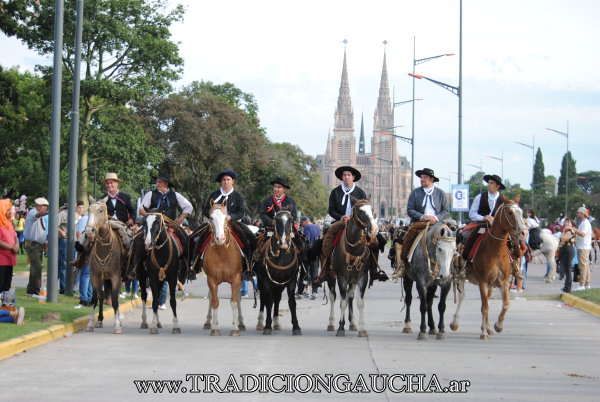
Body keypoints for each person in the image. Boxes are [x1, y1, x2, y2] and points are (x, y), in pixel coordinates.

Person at [317, 166, 388, 286]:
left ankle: (374, 270)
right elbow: (331, 210)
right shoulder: (335, 192)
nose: (346, 177)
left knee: (376, 241)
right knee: (323, 241)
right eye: (344, 175)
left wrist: (354, 218)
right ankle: (325, 271)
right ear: (342, 177)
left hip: (357, 223)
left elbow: (365, 209)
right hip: (340, 221)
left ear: (353, 177)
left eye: (348, 175)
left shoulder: (360, 192)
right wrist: (341, 217)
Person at [195, 170, 255, 279]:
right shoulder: (214, 195)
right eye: (224, 180)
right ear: (221, 182)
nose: (226, 182)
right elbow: (205, 209)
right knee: (196, 236)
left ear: (233, 181)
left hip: (232, 223)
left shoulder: (237, 196)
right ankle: (194, 264)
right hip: (215, 224)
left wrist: (230, 216)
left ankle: (248, 266)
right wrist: (213, 216)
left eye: (228, 180)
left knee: (249, 237)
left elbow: (241, 212)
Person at [392, 168, 449, 278]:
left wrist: (436, 218)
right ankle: (401, 266)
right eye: (421, 177)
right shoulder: (415, 193)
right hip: (419, 223)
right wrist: (423, 216)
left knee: (451, 238)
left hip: (437, 223)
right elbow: (410, 210)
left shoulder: (440, 193)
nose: (422, 179)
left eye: (425, 177)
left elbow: (446, 211)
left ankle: (455, 266)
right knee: (402, 237)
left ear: (431, 179)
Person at [137, 172, 193, 279]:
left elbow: (188, 207)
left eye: (160, 182)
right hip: (153, 226)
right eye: (157, 181)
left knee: (186, 240)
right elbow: (141, 210)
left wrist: (179, 221)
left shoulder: (175, 195)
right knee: (137, 239)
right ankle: (135, 266)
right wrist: (152, 216)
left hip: (171, 226)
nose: (157, 184)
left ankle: (188, 267)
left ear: (166, 184)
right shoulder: (150, 194)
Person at [23, 197, 49, 297]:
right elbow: (39, 214)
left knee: (35, 268)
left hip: (38, 245)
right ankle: (36, 290)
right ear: (39, 206)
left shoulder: (39, 215)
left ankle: (31, 290)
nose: (45, 209)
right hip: (33, 245)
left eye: (46, 207)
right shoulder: (32, 213)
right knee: (37, 268)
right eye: (44, 207)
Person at [300, 216, 321, 299]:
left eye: (302, 223)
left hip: (308, 253)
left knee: (305, 273)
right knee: (315, 274)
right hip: (316, 253)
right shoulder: (317, 227)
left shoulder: (306, 227)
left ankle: (303, 291)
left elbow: (306, 239)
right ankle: (314, 292)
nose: (302, 225)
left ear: (305, 221)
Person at [0, 200, 19, 292]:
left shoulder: (9, 223)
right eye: (7, 210)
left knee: (6, 285)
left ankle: (5, 305)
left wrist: (16, 245)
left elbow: (15, 236)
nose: (10, 212)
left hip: (9, 258)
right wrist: (11, 247)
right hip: (1, 259)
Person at [572, 207, 592, 290]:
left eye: (578, 213)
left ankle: (582, 285)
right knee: (585, 266)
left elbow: (583, 234)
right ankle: (587, 284)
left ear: (583, 214)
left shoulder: (585, 223)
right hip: (583, 246)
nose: (577, 214)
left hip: (583, 247)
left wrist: (573, 229)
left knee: (582, 266)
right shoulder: (583, 222)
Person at [558, 218, 576, 293]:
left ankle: (567, 288)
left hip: (568, 250)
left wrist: (564, 232)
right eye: (566, 222)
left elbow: (564, 239)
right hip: (564, 250)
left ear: (572, 224)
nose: (567, 223)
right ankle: (566, 287)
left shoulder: (569, 231)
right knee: (566, 270)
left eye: (569, 222)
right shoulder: (565, 231)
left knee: (568, 270)